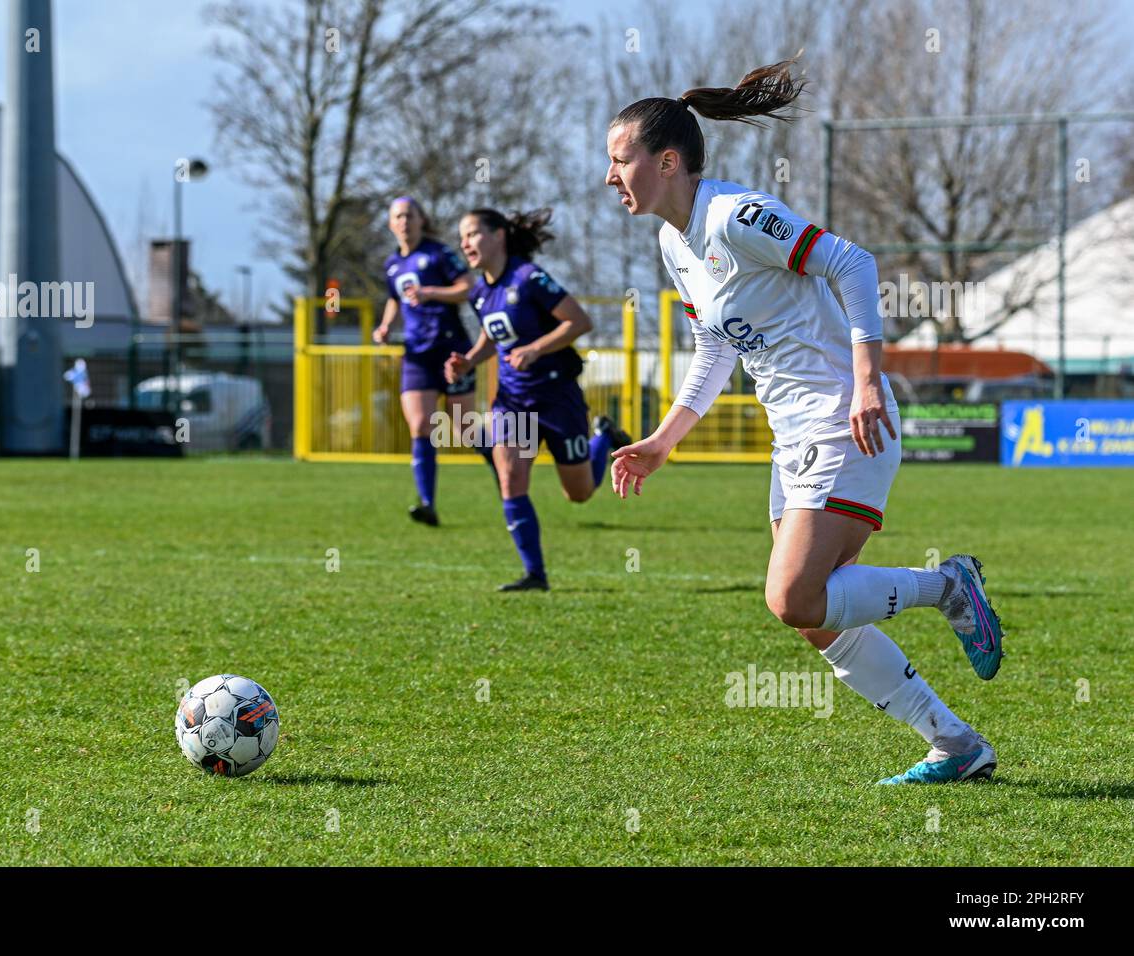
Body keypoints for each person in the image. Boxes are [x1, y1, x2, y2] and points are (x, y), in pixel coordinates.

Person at [604, 58, 1005, 784]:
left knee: (792, 597)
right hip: (793, 437)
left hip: (844, 422)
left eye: (619, 158)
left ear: (667, 161)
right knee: (818, 617)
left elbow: (852, 263)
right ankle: (954, 743)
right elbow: (715, 344)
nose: (610, 176)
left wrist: (865, 382)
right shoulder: (674, 242)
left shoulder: (733, 215)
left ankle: (949, 586)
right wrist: (664, 441)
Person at [446, 208, 631, 592]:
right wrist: (468, 361)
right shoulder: (479, 291)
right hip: (513, 401)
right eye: (462, 237)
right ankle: (535, 575)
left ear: (498, 236)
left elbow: (578, 321)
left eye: (473, 234)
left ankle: (603, 437)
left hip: (557, 396)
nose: (465, 243)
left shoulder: (529, 278)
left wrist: (536, 349)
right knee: (511, 478)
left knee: (578, 494)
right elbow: (492, 337)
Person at [374, 196, 493, 526]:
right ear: (390, 223)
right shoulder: (392, 265)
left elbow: (467, 286)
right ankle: (427, 503)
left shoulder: (438, 254)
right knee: (420, 425)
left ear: (421, 220)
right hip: (416, 355)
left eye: (410, 215)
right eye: (397, 216)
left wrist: (430, 293)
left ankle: (502, 465)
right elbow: (395, 300)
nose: (404, 221)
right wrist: (385, 326)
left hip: (450, 350)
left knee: (466, 430)